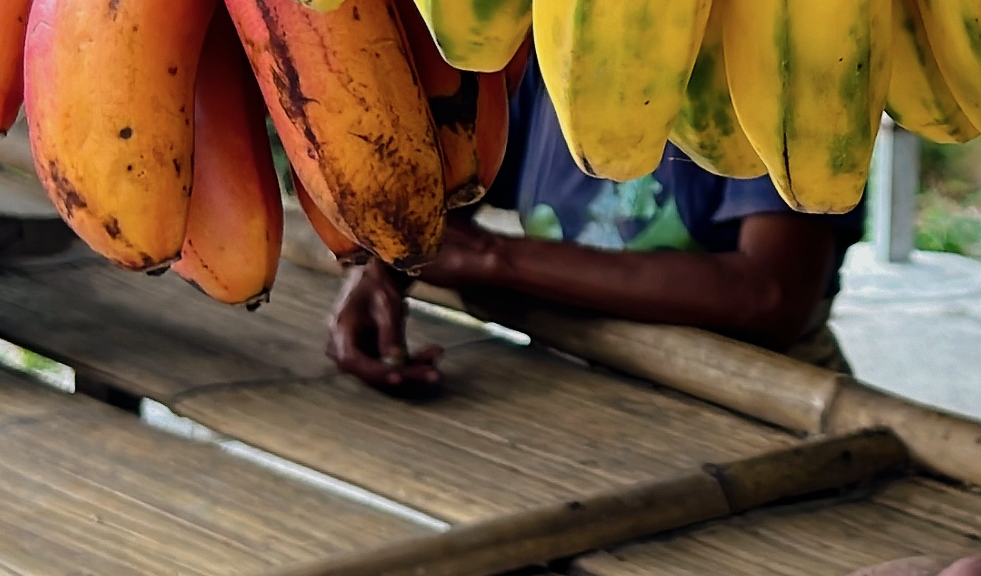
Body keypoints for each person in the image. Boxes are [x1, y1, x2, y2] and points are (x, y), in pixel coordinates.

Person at [326, 54, 861, 395]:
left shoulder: (783, 76)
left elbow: (769, 297)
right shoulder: (551, 55)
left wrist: (493, 258)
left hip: (763, 401)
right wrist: (381, 275)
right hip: (579, 386)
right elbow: (458, 193)